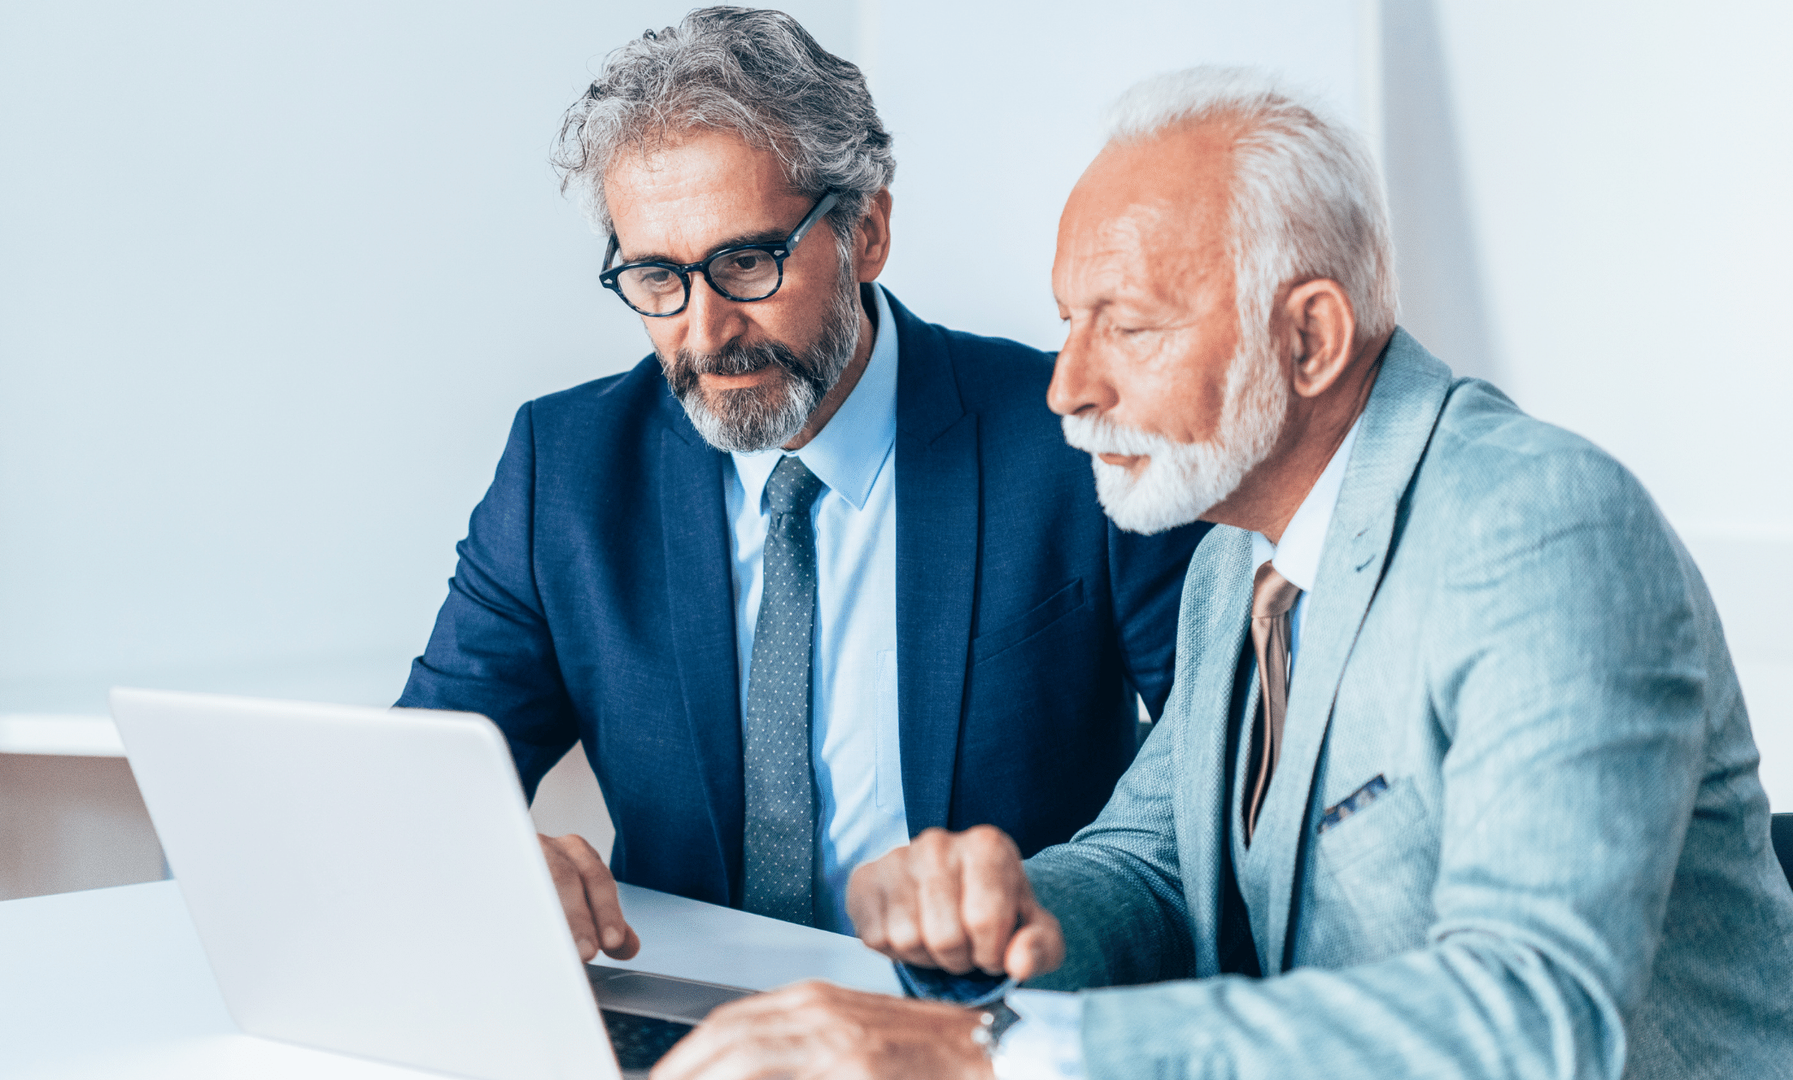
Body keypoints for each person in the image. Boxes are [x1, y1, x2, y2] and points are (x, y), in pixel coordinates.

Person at [652, 67, 1793, 1079]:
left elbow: (1530, 1015)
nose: (1067, 387)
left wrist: (994, 1056)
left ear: (1312, 337)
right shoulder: (1239, 552)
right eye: (1068, 324)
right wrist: (1002, 921)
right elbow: (1155, 868)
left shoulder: (1539, 528)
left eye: (1126, 327)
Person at [396, 8, 1206, 956]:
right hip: (687, 1025)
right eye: (657, 277)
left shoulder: (1071, 434)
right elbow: (422, 780)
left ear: (866, 232)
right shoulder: (564, 469)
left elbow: (1219, 773)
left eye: (747, 262)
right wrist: (486, 855)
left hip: (974, 1024)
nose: (704, 334)